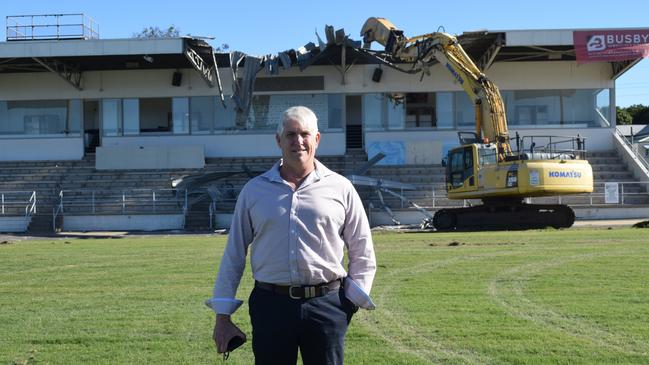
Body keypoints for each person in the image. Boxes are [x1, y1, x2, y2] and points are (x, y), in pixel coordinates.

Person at [206, 106, 376, 364]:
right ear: (278, 140)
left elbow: (362, 248)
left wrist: (349, 302)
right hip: (270, 306)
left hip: (328, 305)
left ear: (316, 139)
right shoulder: (254, 191)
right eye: (290, 134)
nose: (298, 141)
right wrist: (222, 315)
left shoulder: (341, 188)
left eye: (305, 134)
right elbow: (234, 254)